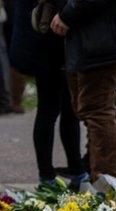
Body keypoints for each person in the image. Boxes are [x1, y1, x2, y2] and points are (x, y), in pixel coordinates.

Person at [51, 0, 116, 180]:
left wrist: (67, 14)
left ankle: (108, 188)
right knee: (91, 110)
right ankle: (102, 183)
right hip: (94, 36)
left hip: (102, 38)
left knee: (98, 111)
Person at [9, 0, 85, 187]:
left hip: (42, 37)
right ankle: (67, 173)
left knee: (56, 109)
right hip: (50, 38)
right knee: (57, 108)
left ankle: (57, 174)